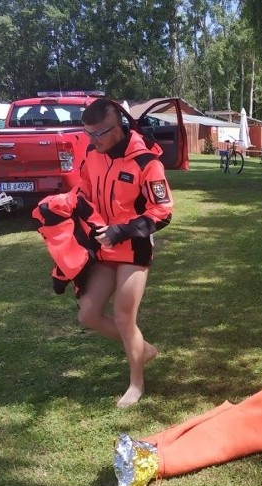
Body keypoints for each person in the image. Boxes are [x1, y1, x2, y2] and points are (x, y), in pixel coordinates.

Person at [76, 98, 174, 407]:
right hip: (104, 247)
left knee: (123, 316)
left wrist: (122, 229)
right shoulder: (92, 155)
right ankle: (142, 348)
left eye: (99, 134)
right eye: (88, 134)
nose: (93, 141)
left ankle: (136, 384)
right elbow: (83, 195)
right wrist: (83, 227)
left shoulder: (147, 161)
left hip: (134, 246)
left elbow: (163, 212)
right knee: (88, 314)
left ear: (119, 126)